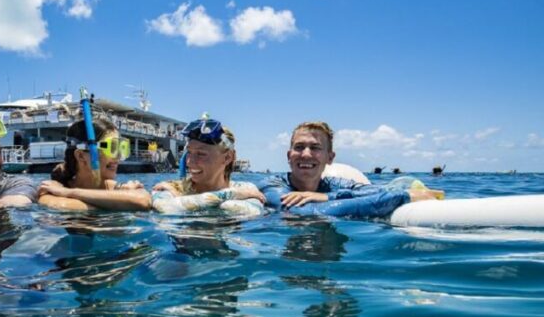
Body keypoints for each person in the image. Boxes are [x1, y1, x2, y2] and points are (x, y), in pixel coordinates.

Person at [260, 121, 442, 217]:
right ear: (288, 156)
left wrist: (327, 196)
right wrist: (404, 196)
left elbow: (378, 191)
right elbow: (308, 212)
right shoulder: (272, 186)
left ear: (330, 158)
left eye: (315, 148)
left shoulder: (333, 185)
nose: (306, 154)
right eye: (299, 147)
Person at [152, 116, 265, 215]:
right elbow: (164, 207)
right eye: (189, 153)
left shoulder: (246, 188)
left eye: (201, 154)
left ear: (227, 158)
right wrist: (233, 194)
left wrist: (182, 201)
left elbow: (247, 211)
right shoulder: (169, 187)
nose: (189, 162)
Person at [37, 118, 151, 211]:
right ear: (81, 156)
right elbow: (57, 205)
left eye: (121, 148)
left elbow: (143, 200)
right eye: (111, 148)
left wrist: (70, 193)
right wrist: (121, 202)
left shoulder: (115, 187)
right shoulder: (53, 188)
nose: (118, 157)